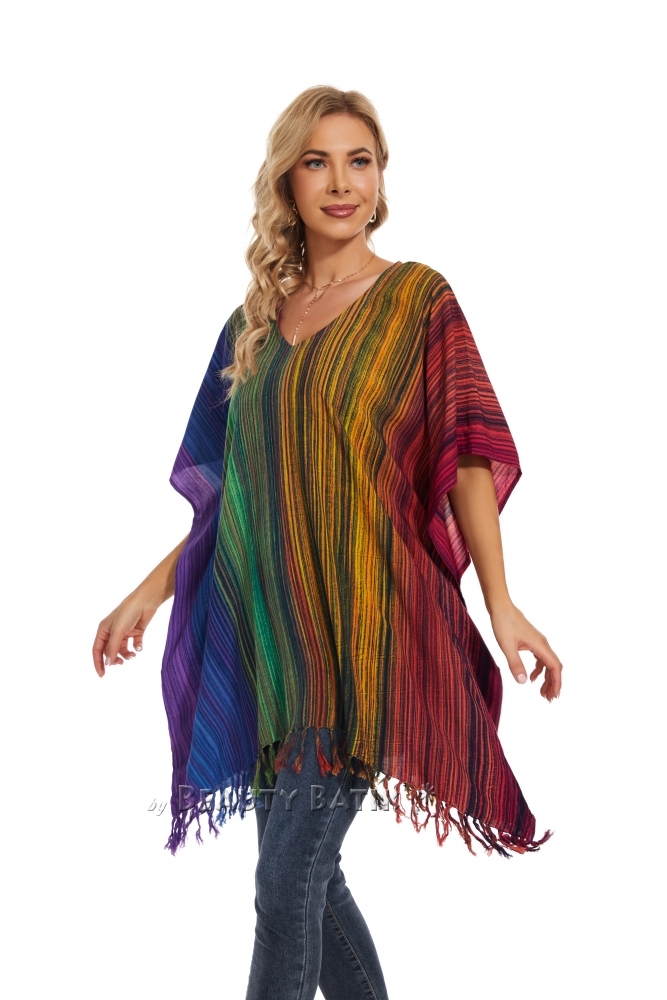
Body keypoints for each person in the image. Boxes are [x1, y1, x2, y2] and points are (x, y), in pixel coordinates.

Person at [92, 86, 563, 1000]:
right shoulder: (252, 329)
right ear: (287, 181)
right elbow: (235, 500)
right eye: (317, 161)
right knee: (307, 882)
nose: (341, 182)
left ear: (380, 179)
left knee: (284, 887)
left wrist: (500, 603)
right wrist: (147, 592)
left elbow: (468, 457)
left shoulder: (417, 299)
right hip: (274, 648)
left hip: (368, 640)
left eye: (359, 161)